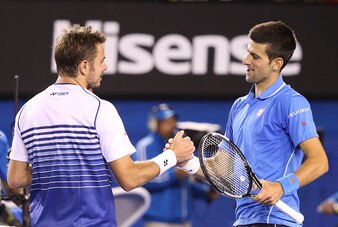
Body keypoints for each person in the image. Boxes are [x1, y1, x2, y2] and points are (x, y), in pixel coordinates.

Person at [6, 24, 196, 227]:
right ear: (84, 66)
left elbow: (15, 179)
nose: (105, 67)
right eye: (102, 60)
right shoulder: (99, 109)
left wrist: (58, 166)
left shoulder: (28, 110)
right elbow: (129, 178)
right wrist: (172, 156)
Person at [223, 21, 329, 226]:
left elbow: (319, 161)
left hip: (276, 221)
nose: (245, 60)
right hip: (244, 220)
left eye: (255, 56)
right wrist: (184, 161)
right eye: (247, 52)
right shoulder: (238, 106)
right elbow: (223, 171)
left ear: (276, 63)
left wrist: (280, 187)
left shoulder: (290, 102)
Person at [133, 104, 217, 227]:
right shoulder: (145, 146)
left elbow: (185, 185)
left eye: (172, 121)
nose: (170, 124)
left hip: (184, 221)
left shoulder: (179, 147)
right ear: (155, 124)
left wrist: (205, 193)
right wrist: (175, 174)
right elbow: (143, 180)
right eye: (165, 121)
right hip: (159, 222)